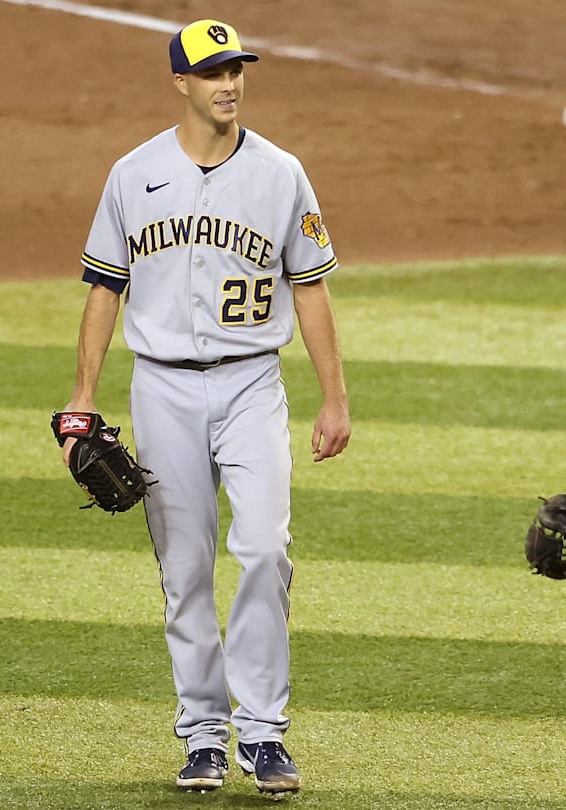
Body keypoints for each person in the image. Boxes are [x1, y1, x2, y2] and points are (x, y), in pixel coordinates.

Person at [60, 18, 350, 796]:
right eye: (213, 72)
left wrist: (334, 400)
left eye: (237, 70)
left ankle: (261, 734)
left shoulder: (282, 173)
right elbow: (103, 289)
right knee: (184, 566)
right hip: (162, 387)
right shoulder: (132, 173)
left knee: (264, 549)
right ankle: (203, 737)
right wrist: (82, 402)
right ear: (181, 82)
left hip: (254, 381)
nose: (229, 84)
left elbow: (311, 286)